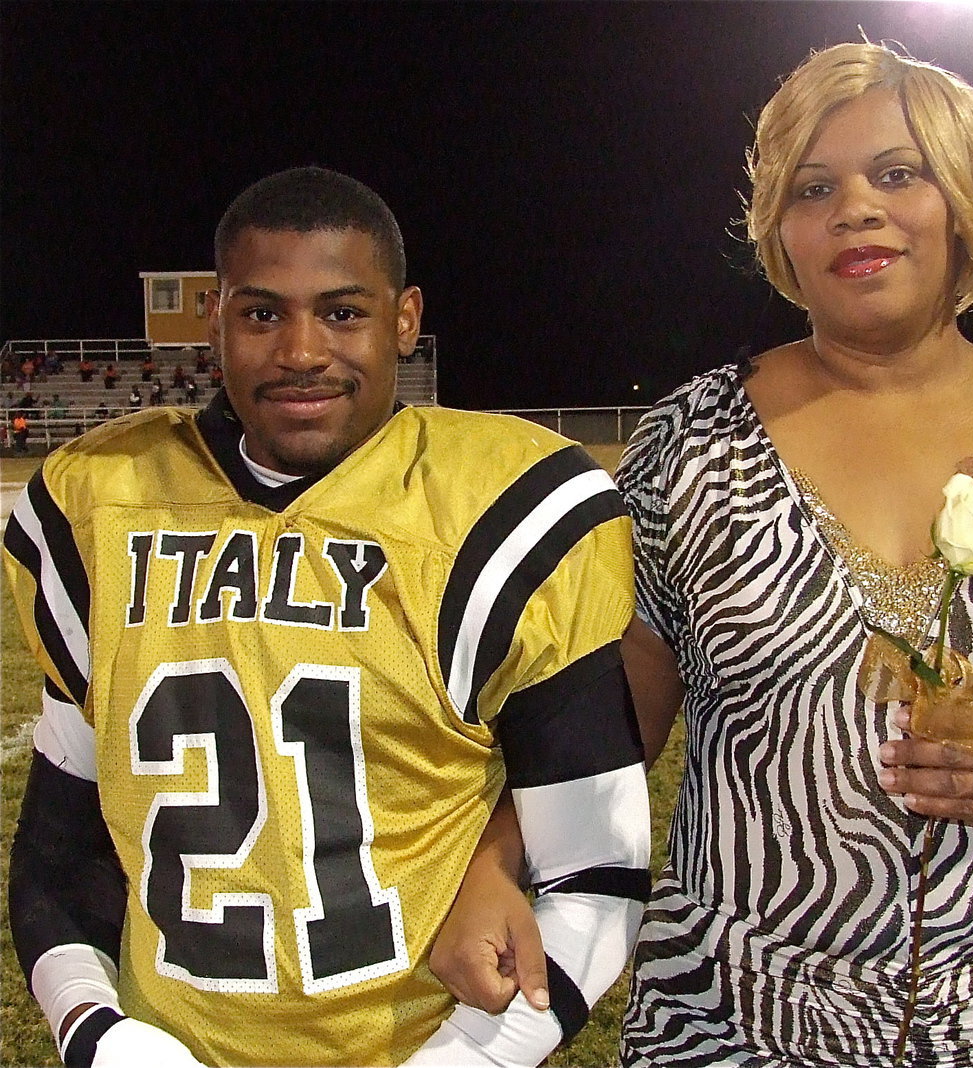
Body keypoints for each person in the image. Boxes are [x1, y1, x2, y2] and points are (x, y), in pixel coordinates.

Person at [430, 42, 973, 1066]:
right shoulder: (689, 448)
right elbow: (608, 725)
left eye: (898, 173)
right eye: (813, 187)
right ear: (779, 230)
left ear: (964, 201)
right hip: (731, 1020)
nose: (855, 210)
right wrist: (496, 861)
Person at [4, 166, 650, 1068]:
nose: (301, 351)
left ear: (405, 320)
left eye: (342, 312)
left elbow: (596, 871)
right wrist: (96, 1031)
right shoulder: (97, 506)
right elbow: (61, 853)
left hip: (422, 1041)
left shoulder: (497, 509)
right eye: (262, 314)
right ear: (215, 321)